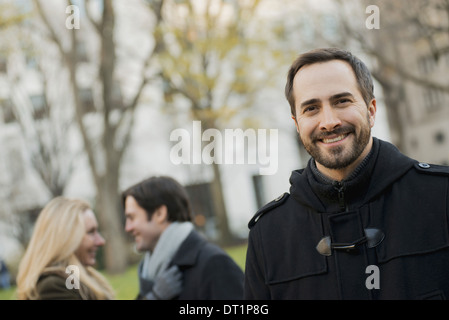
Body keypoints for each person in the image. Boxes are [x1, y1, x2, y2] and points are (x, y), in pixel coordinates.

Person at [244, 47, 449, 300]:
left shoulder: (441, 197)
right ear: (297, 124)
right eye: (311, 108)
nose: (329, 122)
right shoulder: (268, 235)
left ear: (371, 111)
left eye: (342, 101)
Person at [122, 176, 245, 300]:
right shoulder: (150, 271)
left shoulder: (214, 264)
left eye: (132, 217)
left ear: (160, 214)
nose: (128, 227)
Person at [16, 197, 115, 300]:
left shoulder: (76, 277)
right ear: (67, 239)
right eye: (91, 232)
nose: (101, 241)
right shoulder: (55, 286)